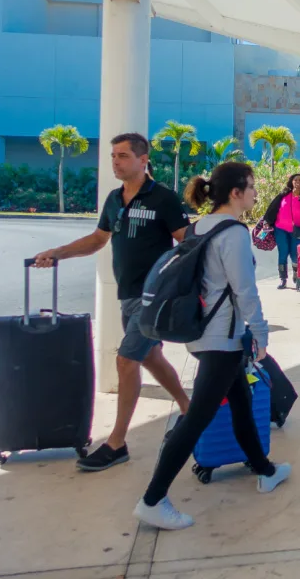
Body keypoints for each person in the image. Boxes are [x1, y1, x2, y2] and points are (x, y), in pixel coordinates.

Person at [133, 162, 291, 530]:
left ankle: (264, 469)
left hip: (203, 333)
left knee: (241, 400)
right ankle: (152, 499)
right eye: (251, 187)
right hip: (222, 338)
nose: (255, 193)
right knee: (197, 419)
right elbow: (244, 290)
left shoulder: (199, 225)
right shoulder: (234, 233)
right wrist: (262, 335)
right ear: (235, 193)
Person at [32, 133, 191, 472]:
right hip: (129, 295)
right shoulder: (114, 200)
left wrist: (177, 286)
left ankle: (117, 443)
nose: (115, 162)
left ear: (142, 159)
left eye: (122, 156)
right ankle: (189, 408)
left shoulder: (164, 198)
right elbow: (98, 239)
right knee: (149, 356)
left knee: (125, 360)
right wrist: (57, 253)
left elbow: (185, 244)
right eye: (113, 156)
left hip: (154, 297)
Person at [262, 173, 300, 290]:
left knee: (295, 254)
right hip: (280, 229)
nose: (298, 182)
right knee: (283, 253)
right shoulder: (283, 195)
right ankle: (283, 279)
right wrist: (267, 221)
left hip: (297, 230)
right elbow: (272, 207)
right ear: (291, 182)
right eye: (295, 180)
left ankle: (296, 272)